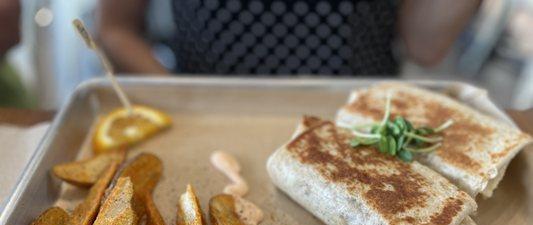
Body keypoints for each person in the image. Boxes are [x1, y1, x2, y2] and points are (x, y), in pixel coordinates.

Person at [97, 0, 482, 76]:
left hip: (359, 126)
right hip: (210, 116)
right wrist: (176, 100)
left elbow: (423, 43)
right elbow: (116, 29)